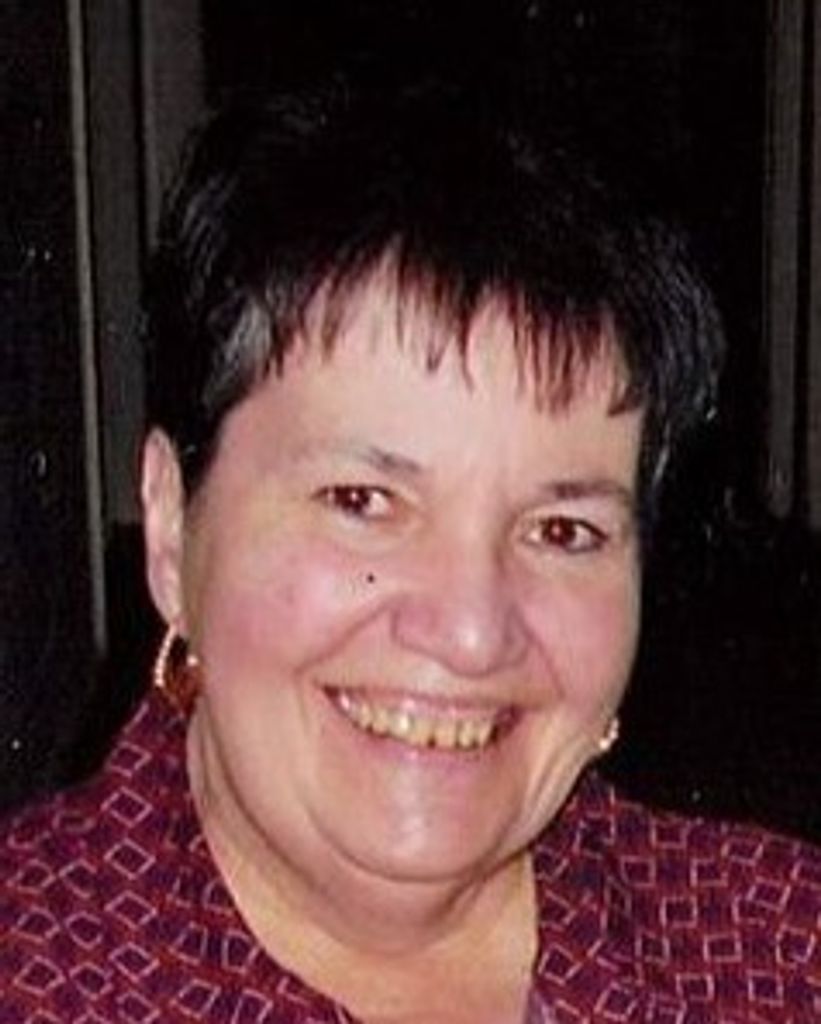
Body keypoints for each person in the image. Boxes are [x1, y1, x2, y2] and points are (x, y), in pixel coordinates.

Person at [1, 85, 819, 1024]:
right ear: (172, 526)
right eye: (362, 503)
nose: (470, 632)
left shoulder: (780, 949)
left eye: (562, 531)